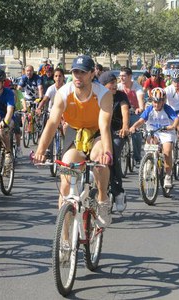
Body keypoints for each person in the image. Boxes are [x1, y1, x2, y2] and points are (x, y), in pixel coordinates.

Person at [33, 55, 114, 227]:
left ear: (92, 74)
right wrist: (40, 151)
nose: (78, 76)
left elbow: (104, 126)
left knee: (99, 160)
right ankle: (64, 239)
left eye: (83, 72)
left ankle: (103, 199)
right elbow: (53, 122)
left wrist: (107, 152)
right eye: (75, 72)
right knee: (66, 178)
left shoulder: (103, 94)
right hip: (74, 131)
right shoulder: (63, 93)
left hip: (96, 131)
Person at [129, 88, 179, 189]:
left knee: (167, 151)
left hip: (166, 132)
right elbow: (141, 120)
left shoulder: (167, 108)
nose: (156, 104)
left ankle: (168, 175)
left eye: (159, 102)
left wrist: (173, 126)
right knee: (150, 145)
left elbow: (176, 119)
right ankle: (149, 162)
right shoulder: (149, 109)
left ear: (163, 101)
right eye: (154, 102)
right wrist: (134, 127)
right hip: (153, 132)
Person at [99, 71, 129, 213]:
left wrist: (125, 127)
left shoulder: (121, 96)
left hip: (117, 132)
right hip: (100, 133)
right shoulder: (98, 96)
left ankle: (118, 193)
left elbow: (125, 111)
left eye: (115, 83)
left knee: (113, 155)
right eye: (111, 84)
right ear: (103, 85)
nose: (114, 86)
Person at [118, 67, 145, 165]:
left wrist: (140, 108)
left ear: (130, 77)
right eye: (120, 76)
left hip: (134, 113)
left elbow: (140, 98)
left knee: (135, 133)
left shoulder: (137, 87)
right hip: (121, 114)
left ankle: (137, 157)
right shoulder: (118, 87)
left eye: (124, 76)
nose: (121, 78)